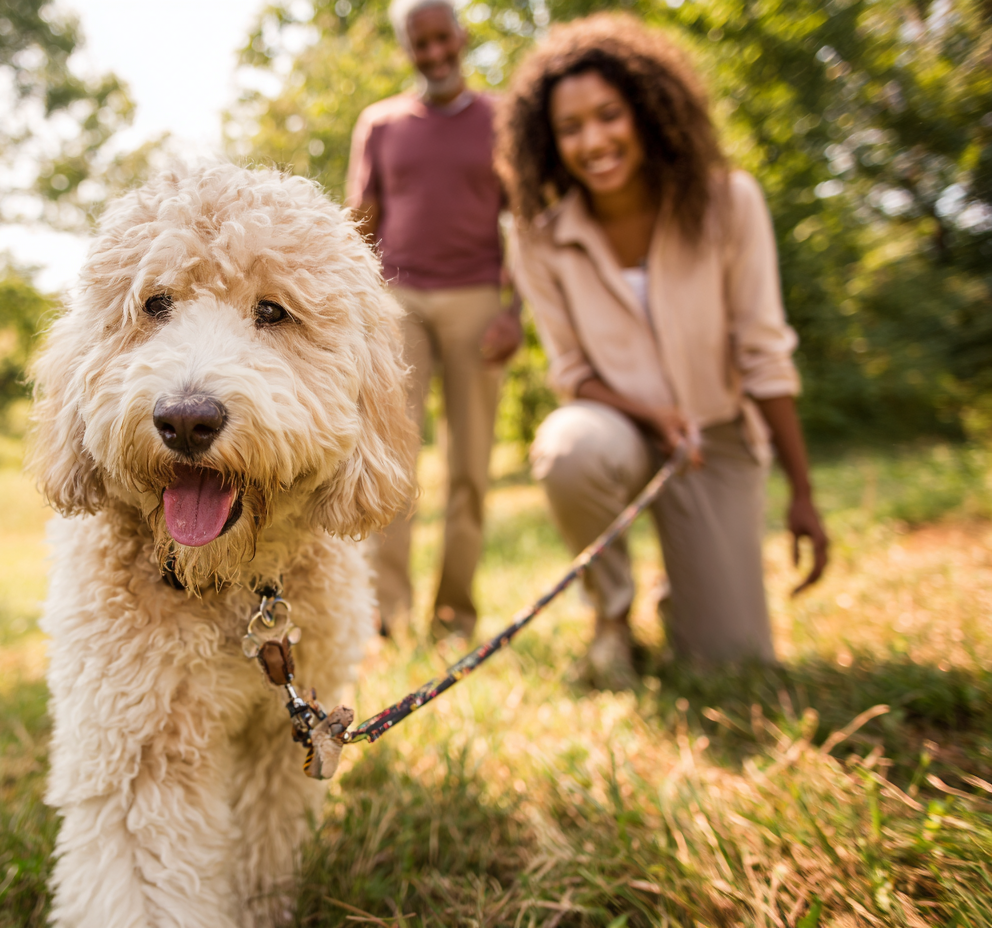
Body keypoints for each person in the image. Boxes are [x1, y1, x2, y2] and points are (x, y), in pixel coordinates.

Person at [494, 13, 829, 686]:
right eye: (571, 128)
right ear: (549, 143)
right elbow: (573, 374)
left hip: (718, 439)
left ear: (645, 112)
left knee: (732, 665)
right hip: (617, 428)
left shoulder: (729, 202)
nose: (594, 140)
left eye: (609, 115)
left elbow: (765, 352)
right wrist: (649, 413)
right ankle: (612, 619)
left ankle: (684, 591)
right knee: (568, 447)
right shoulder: (537, 237)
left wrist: (802, 493)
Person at [347, 0, 522, 641]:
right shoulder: (381, 124)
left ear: (462, 36)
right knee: (390, 458)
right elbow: (360, 225)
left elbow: (526, 223)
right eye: (420, 44)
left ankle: (455, 615)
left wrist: (516, 312)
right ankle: (383, 615)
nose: (435, 54)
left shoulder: (502, 119)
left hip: (477, 296)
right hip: (400, 301)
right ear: (407, 49)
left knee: (471, 466)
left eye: (442, 38)